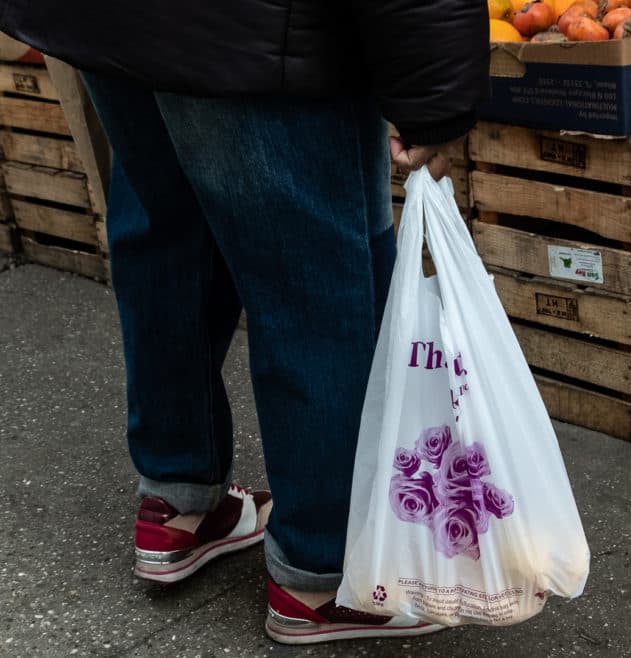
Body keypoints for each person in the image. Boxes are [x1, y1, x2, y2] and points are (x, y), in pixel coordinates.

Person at [1, 0, 488, 645]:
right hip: (259, 31)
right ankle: (326, 569)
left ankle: (178, 504)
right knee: (315, 277)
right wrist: (438, 96)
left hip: (103, 17)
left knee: (168, 236)